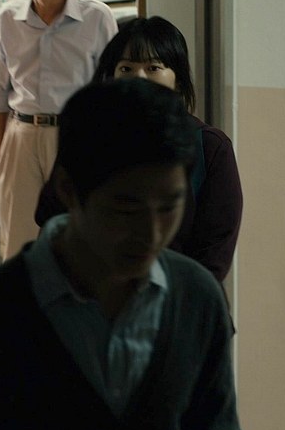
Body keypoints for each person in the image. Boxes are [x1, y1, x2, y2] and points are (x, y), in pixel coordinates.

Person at [0, 79, 243, 430]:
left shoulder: (197, 298)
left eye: (169, 207)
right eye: (126, 209)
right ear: (68, 189)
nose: (152, 233)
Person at [35, 16, 243, 283]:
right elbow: (52, 221)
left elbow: (214, 252)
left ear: (178, 80)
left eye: (153, 67)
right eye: (126, 68)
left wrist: (179, 299)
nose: (139, 78)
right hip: (87, 294)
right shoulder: (87, 138)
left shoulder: (210, 148)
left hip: (175, 297)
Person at [0, 0, 117, 260]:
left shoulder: (97, 17)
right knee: (18, 239)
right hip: (21, 135)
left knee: (79, 235)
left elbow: (111, 89)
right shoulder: (7, 18)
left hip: (77, 136)